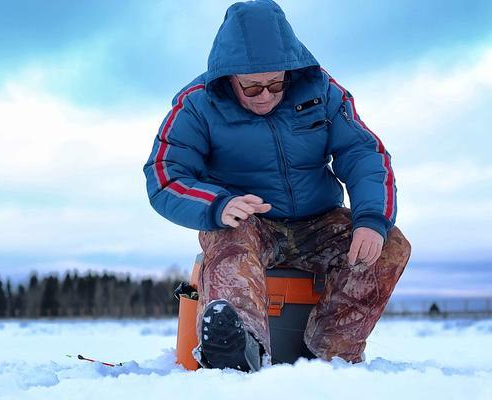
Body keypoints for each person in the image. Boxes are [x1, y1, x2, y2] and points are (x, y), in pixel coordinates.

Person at [143, 0, 411, 372]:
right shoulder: (196, 105)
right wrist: (217, 204)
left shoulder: (322, 89)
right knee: (228, 235)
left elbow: (363, 153)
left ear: (290, 70)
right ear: (228, 78)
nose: (265, 95)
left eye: (274, 83)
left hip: (318, 221)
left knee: (389, 245)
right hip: (251, 222)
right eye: (251, 88)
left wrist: (371, 219)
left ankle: (332, 358)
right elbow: (165, 174)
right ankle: (240, 353)